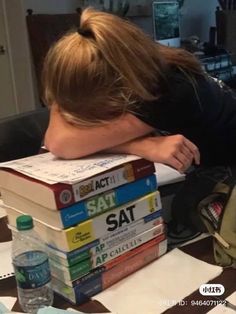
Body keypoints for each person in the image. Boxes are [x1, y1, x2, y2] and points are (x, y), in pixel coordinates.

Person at [42, 7, 236, 173]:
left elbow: (61, 144)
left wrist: (124, 144)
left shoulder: (168, 89)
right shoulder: (139, 68)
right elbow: (57, 138)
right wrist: (141, 146)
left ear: (116, 89)